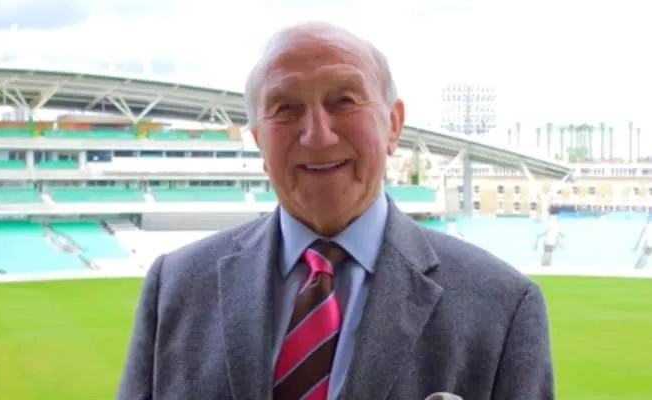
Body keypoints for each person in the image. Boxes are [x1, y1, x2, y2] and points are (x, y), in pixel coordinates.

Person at [117, 22, 554, 400]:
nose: (318, 135)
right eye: (285, 108)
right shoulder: (174, 287)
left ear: (393, 124)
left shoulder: (504, 307)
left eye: (343, 101)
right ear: (259, 141)